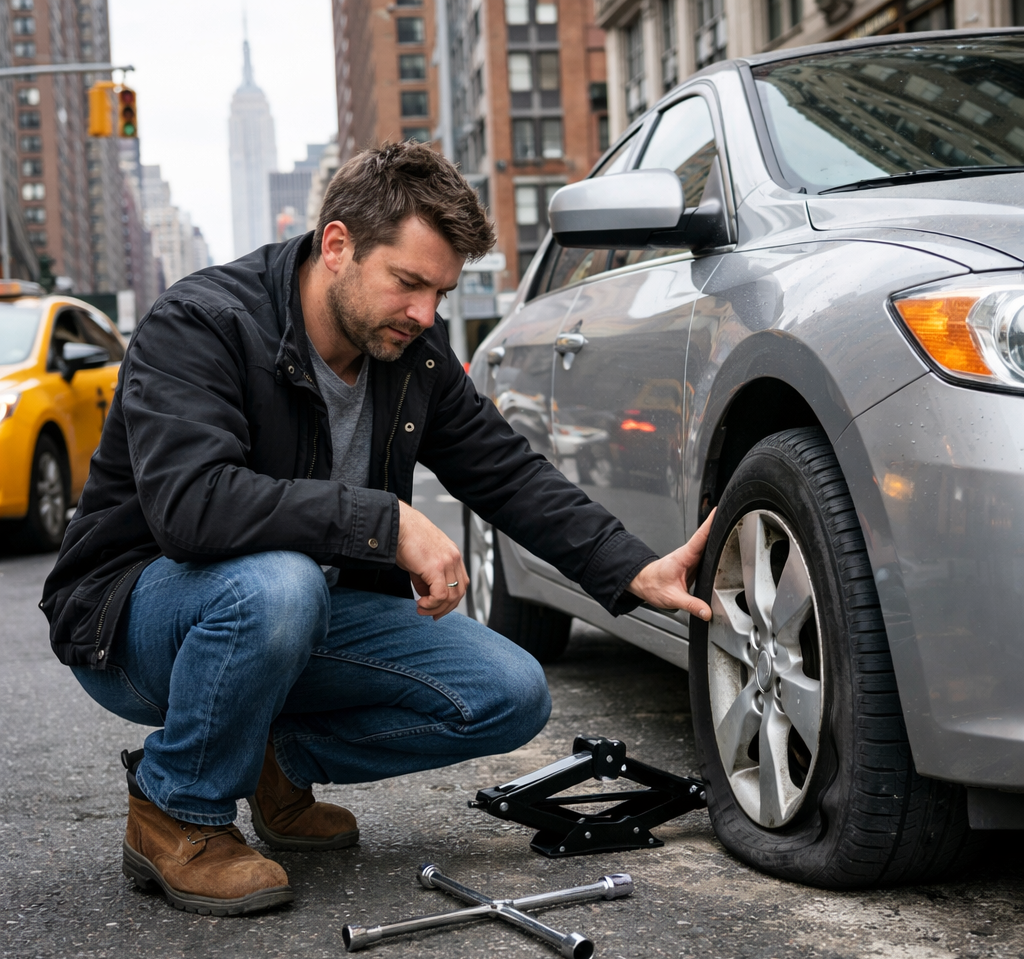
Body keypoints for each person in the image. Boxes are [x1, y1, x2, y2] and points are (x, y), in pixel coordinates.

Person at [41, 142, 714, 917]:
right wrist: (384, 521)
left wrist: (631, 568)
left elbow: (505, 470)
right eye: (408, 284)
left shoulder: (410, 355)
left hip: (295, 617)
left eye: (441, 292)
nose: (426, 315)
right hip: (140, 620)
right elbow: (193, 507)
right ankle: (176, 808)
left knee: (509, 693)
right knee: (279, 584)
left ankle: (268, 758)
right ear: (337, 246)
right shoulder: (203, 324)